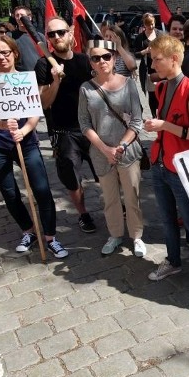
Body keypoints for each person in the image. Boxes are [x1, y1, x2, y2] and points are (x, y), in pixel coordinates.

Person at [0, 34, 68, 259]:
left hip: (26, 142)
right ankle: (28, 232)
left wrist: (24, 130)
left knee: (41, 190)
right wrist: (2, 124)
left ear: (15, 54)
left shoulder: (26, 79)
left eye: (5, 52)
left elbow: (34, 111)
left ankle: (50, 237)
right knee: (10, 193)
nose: (1, 57)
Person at [143, 35, 189, 289]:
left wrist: (163, 125)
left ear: (174, 59)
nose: (153, 66)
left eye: (157, 60)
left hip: (180, 167)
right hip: (160, 162)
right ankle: (173, 260)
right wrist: (159, 128)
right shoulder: (163, 87)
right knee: (166, 219)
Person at [78, 39, 146, 257]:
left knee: (132, 196)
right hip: (101, 154)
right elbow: (84, 123)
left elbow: (137, 120)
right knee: (110, 199)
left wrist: (121, 145)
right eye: (96, 58)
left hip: (127, 151)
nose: (101, 61)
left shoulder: (128, 84)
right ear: (91, 62)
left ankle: (136, 236)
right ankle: (115, 234)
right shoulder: (86, 88)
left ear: (114, 58)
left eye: (106, 56)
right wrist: (105, 149)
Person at [35, 16, 98, 234]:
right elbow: (44, 103)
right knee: (71, 177)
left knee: (105, 172)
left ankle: (119, 207)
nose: (57, 37)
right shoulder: (43, 64)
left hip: (91, 128)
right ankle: (83, 214)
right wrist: (56, 80)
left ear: (70, 33)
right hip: (64, 132)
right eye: (51, 34)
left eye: (60, 32)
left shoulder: (83, 60)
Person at [133, 13, 166, 115]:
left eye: (152, 24)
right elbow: (135, 54)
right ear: (144, 25)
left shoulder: (161, 34)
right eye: (148, 25)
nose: (151, 27)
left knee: (163, 92)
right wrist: (145, 51)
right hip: (149, 70)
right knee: (152, 94)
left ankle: (163, 113)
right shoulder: (140, 38)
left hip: (162, 68)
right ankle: (154, 115)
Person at [10, 6, 46, 71]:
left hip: (40, 73)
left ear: (29, 17)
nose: (19, 18)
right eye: (17, 15)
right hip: (21, 75)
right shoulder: (10, 36)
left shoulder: (40, 36)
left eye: (22, 15)